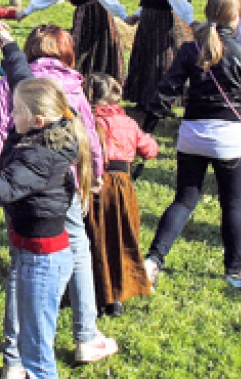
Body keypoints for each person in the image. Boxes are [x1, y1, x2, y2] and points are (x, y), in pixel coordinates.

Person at [0, 73, 111, 379]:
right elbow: (23, 77)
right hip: (34, 254)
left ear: (38, 120)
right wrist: (8, 49)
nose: (10, 114)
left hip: (42, 261)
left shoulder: (37, 158)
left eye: (16, 110)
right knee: (32, 344)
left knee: (36, 355)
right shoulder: (51, 131)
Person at [0, 24, 116, 376]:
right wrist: (96, 173)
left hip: (19, 185)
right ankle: (85, 334)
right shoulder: (72, 85)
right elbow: (89, 133)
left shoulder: (14, 84)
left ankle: (14, 360)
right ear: (67, 53)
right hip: (64, 185)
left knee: (19, 264)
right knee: (78, 248)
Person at [141, 0, 241, 289]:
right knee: (232, 204)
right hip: (228, 136)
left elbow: (166, 91)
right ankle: (234, 271)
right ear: (236, 16)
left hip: (193, 133)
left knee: (184, 200)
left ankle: (154, 259)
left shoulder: (190, 49)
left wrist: (148, 126)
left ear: (208, 14)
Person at [83, 73, 159, 316]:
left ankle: (96, 290)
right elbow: (150, 150)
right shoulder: (128, 123)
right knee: (123, 236)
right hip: (122, 186)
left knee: (95, 237)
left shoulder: (86, 121)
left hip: (93, 185)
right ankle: (118, 293)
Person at [123, 0, 195, 112]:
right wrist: (138, 15)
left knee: (159, 60)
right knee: (147, 58)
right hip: (151, 19)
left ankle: (159, 100)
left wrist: (190, 20)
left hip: (160, 21)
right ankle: (145, 98)